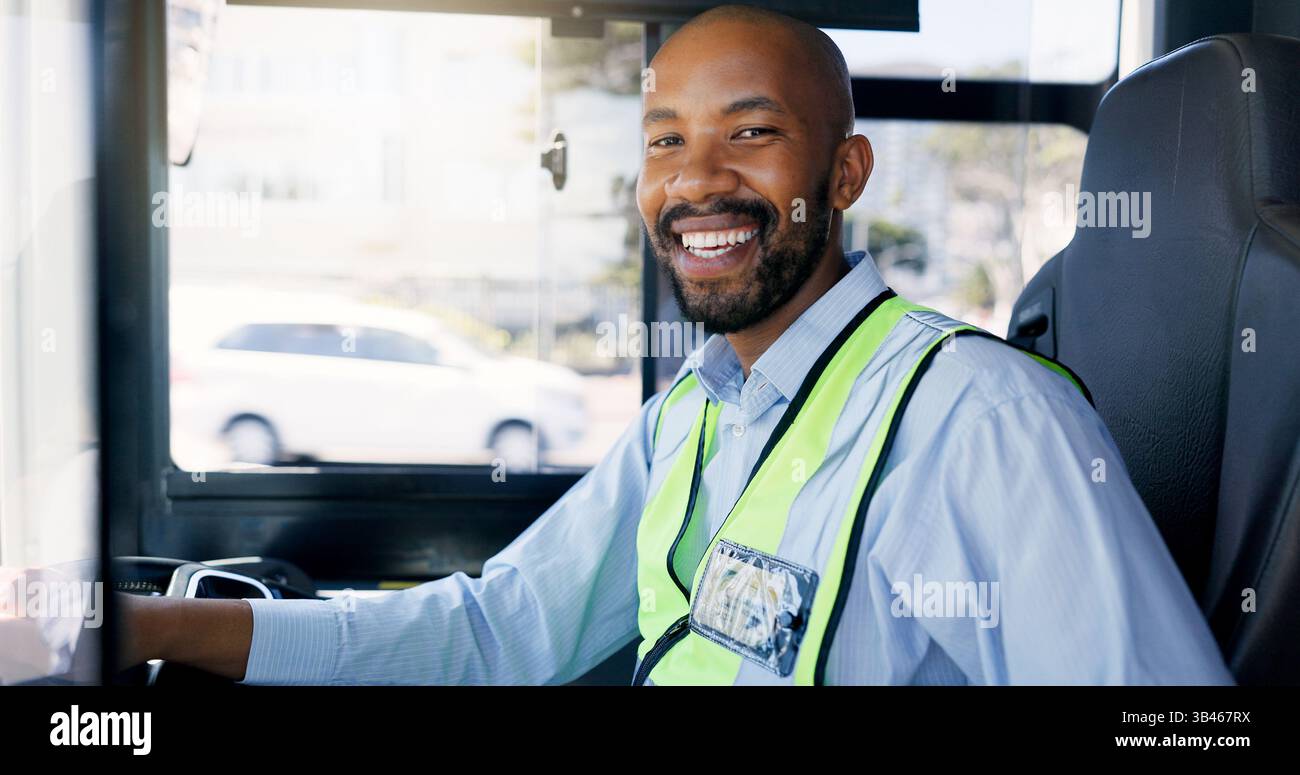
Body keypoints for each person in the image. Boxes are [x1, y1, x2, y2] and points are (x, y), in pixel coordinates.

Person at [119, 5, 1232, 685]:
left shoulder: (982, 420)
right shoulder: (691, 418)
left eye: (751, 132)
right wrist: (152, 626)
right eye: (665, 141)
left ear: (843, 177)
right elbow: (493, 635)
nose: (697, 179)